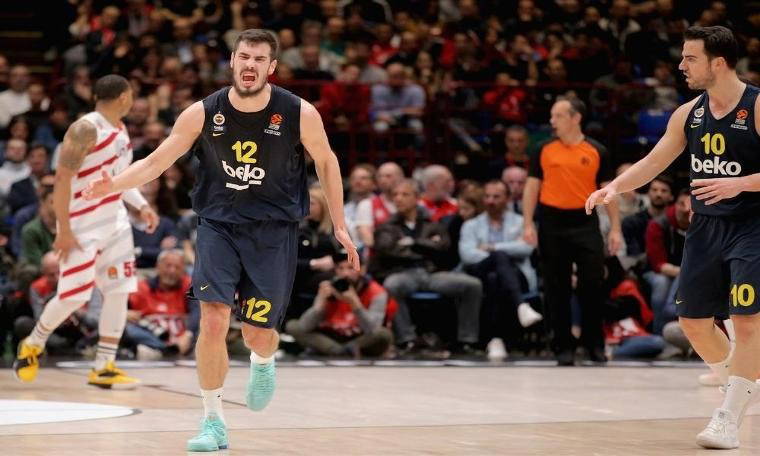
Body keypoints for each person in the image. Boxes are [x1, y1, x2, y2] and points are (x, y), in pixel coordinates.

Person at [82, 29, 358, 452]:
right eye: (244, 57)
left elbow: (327, 161)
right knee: (213, 319)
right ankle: (213, 421)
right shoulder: (202, 112)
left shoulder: (298, 112)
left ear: (271, 67)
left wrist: (339, 223)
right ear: (232, 61)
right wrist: (112, 185)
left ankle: (263, 360)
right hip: (218, 225)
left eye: (259, 59)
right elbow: (156, 161)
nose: (250, 65)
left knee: (257, 334)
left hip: (272, 231)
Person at [586, 26, 760, 449]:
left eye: (690, 58)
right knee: (694, 324)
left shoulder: (756, 106)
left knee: (746, 320)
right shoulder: (687, 113)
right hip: (706, 228)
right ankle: (742, 385)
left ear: (719, 62)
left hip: (752, 225)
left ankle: (729, 416)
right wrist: (615, 187)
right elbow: (654, 160)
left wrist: (742, 184)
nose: (681, 65)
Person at [13, 74, 159, 390]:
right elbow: (61, 180)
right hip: (82, 224)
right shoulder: (84, 129)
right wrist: (63, 230)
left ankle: (104, 366)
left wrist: (140, 205)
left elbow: (120, 177)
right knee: (73, 296)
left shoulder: (120, 129)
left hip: (116, 223)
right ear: (123, 97)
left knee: (119, 291)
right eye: (132, 96)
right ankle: (33, 343)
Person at [523, 96, 622, 366]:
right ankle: (562, 347)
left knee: (592, 285)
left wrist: (615, 228)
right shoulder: (543, 149)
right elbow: (531, 187)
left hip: (585, 221)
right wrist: (528, 222)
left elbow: (609, 191)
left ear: (575, 118)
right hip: (551, 222)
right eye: (552, 116)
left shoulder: (597, 150)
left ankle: (594, 345)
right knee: (556, 288)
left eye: (558, 116)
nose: (552, 121)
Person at [285, 250, 395, 358]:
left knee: (384, 334)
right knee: (293, 325)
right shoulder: (329, 287)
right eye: (340, 268)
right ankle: (341, 351)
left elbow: (373, 329)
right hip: (331, 337)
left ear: (362, 270)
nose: (345, 274)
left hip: (358, 337)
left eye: (351, 268)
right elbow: (305, 326)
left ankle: (339, 351)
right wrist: (320, 304)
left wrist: (355, 303)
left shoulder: (376, 291)